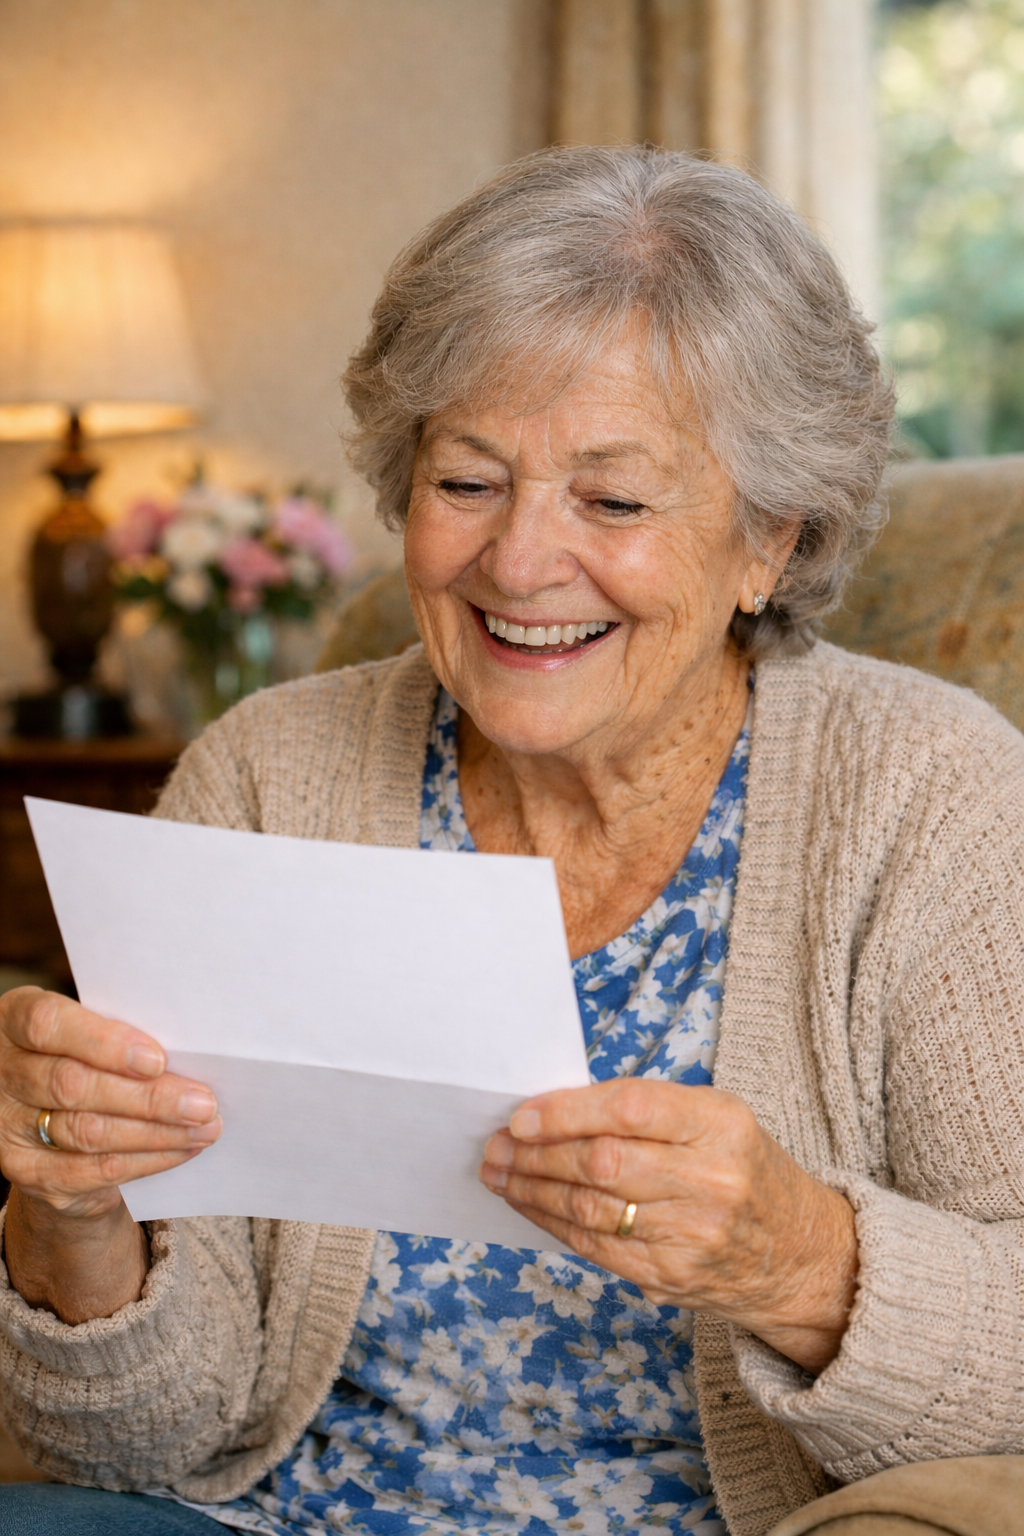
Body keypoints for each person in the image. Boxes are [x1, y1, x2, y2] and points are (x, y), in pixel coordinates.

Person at [1, 146, 1023, 1536]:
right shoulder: (267, 770)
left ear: (769, 542)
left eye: (613, 499)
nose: (520, 563)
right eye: (469, 481)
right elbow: (142, 1438)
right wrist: (73, 1218)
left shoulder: (931, 799)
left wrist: (800, 1257)